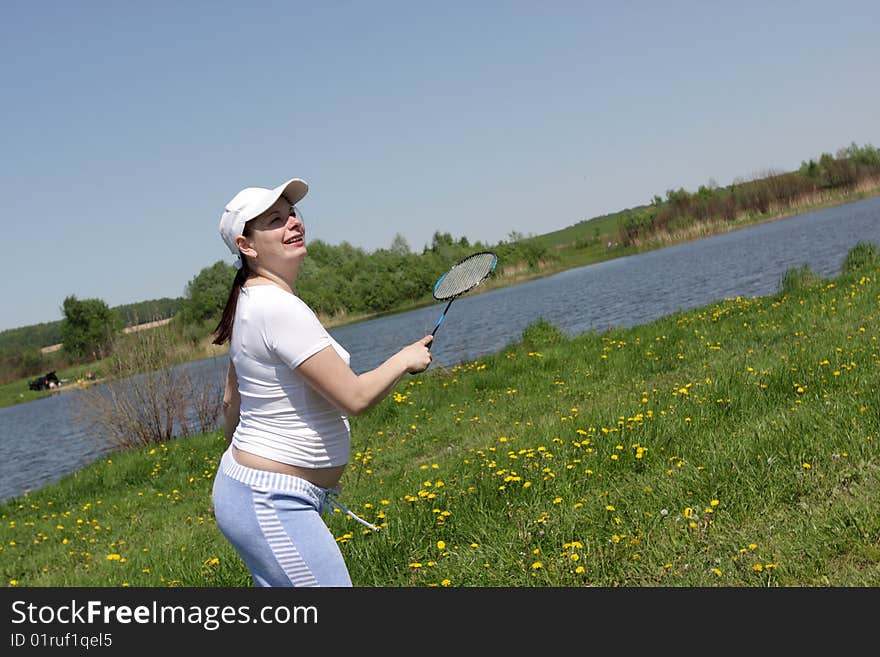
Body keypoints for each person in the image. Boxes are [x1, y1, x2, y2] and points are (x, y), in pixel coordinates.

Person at [210, 176, 433, 587]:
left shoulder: (251, 301)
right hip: (271, 500)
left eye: (291, 214)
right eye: (275, 220)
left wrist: (238, 472)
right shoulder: (277, 309)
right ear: (247, 246)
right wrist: (405, 358)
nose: (293, 223)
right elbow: (354, 397)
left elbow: (230, 402)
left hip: (255, 495)